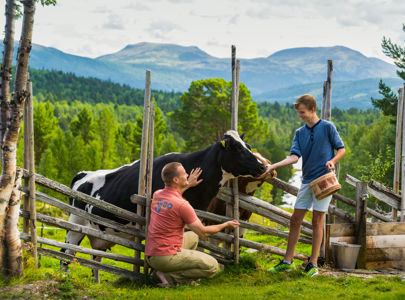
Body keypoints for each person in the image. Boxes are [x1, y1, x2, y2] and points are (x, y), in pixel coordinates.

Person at [262, 94, 345, 277]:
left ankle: (313, 264)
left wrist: (332, 161)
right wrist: (274, 165)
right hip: (307, 181)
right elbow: (294, 157)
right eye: (298, 113)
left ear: (313, 109)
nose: (300, 116)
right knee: (295, 219)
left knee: (317, 221)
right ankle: (287, 261)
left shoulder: (328, 127)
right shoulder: (300, 133)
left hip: (325, 182)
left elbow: (341, 149)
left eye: (302, 112)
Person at [145, 162, 240, 287]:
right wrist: (225, 225)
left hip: (152, 254)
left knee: (192, 236)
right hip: (165, 257)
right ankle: (168, 277)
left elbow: (174, 195)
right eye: (184, 173)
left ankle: (170, 272)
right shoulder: (183, 205)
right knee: (212, 266)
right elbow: (203, 232)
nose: (187, 175)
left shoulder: (158, 195)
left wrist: (187, 184)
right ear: (176, 180)